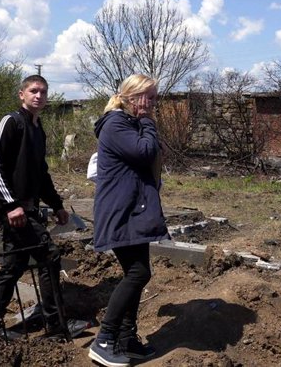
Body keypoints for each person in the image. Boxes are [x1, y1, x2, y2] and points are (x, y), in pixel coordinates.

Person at [0, 74, 89, 339]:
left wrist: (57, 205)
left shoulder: (37, 129)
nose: (38, 95)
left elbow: (41, 173)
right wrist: (11, 205)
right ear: (22, 94)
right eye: (33, 91)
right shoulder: (11, 122)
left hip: (27, 208)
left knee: (15, 263)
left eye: (43, 92)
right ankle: (55, 326)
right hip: (13, 210)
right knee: (49, 256)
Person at [88, 74, 169, 367]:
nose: (148, 103)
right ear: (129, 96)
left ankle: (126, 338)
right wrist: (149, 123)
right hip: (121, 212)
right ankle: (104, 339)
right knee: (138, 273)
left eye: (153, 98)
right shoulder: (116, 124)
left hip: (134, 211)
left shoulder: (129, 123)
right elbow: (145, 151)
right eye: (143, 96)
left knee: (139, 272)